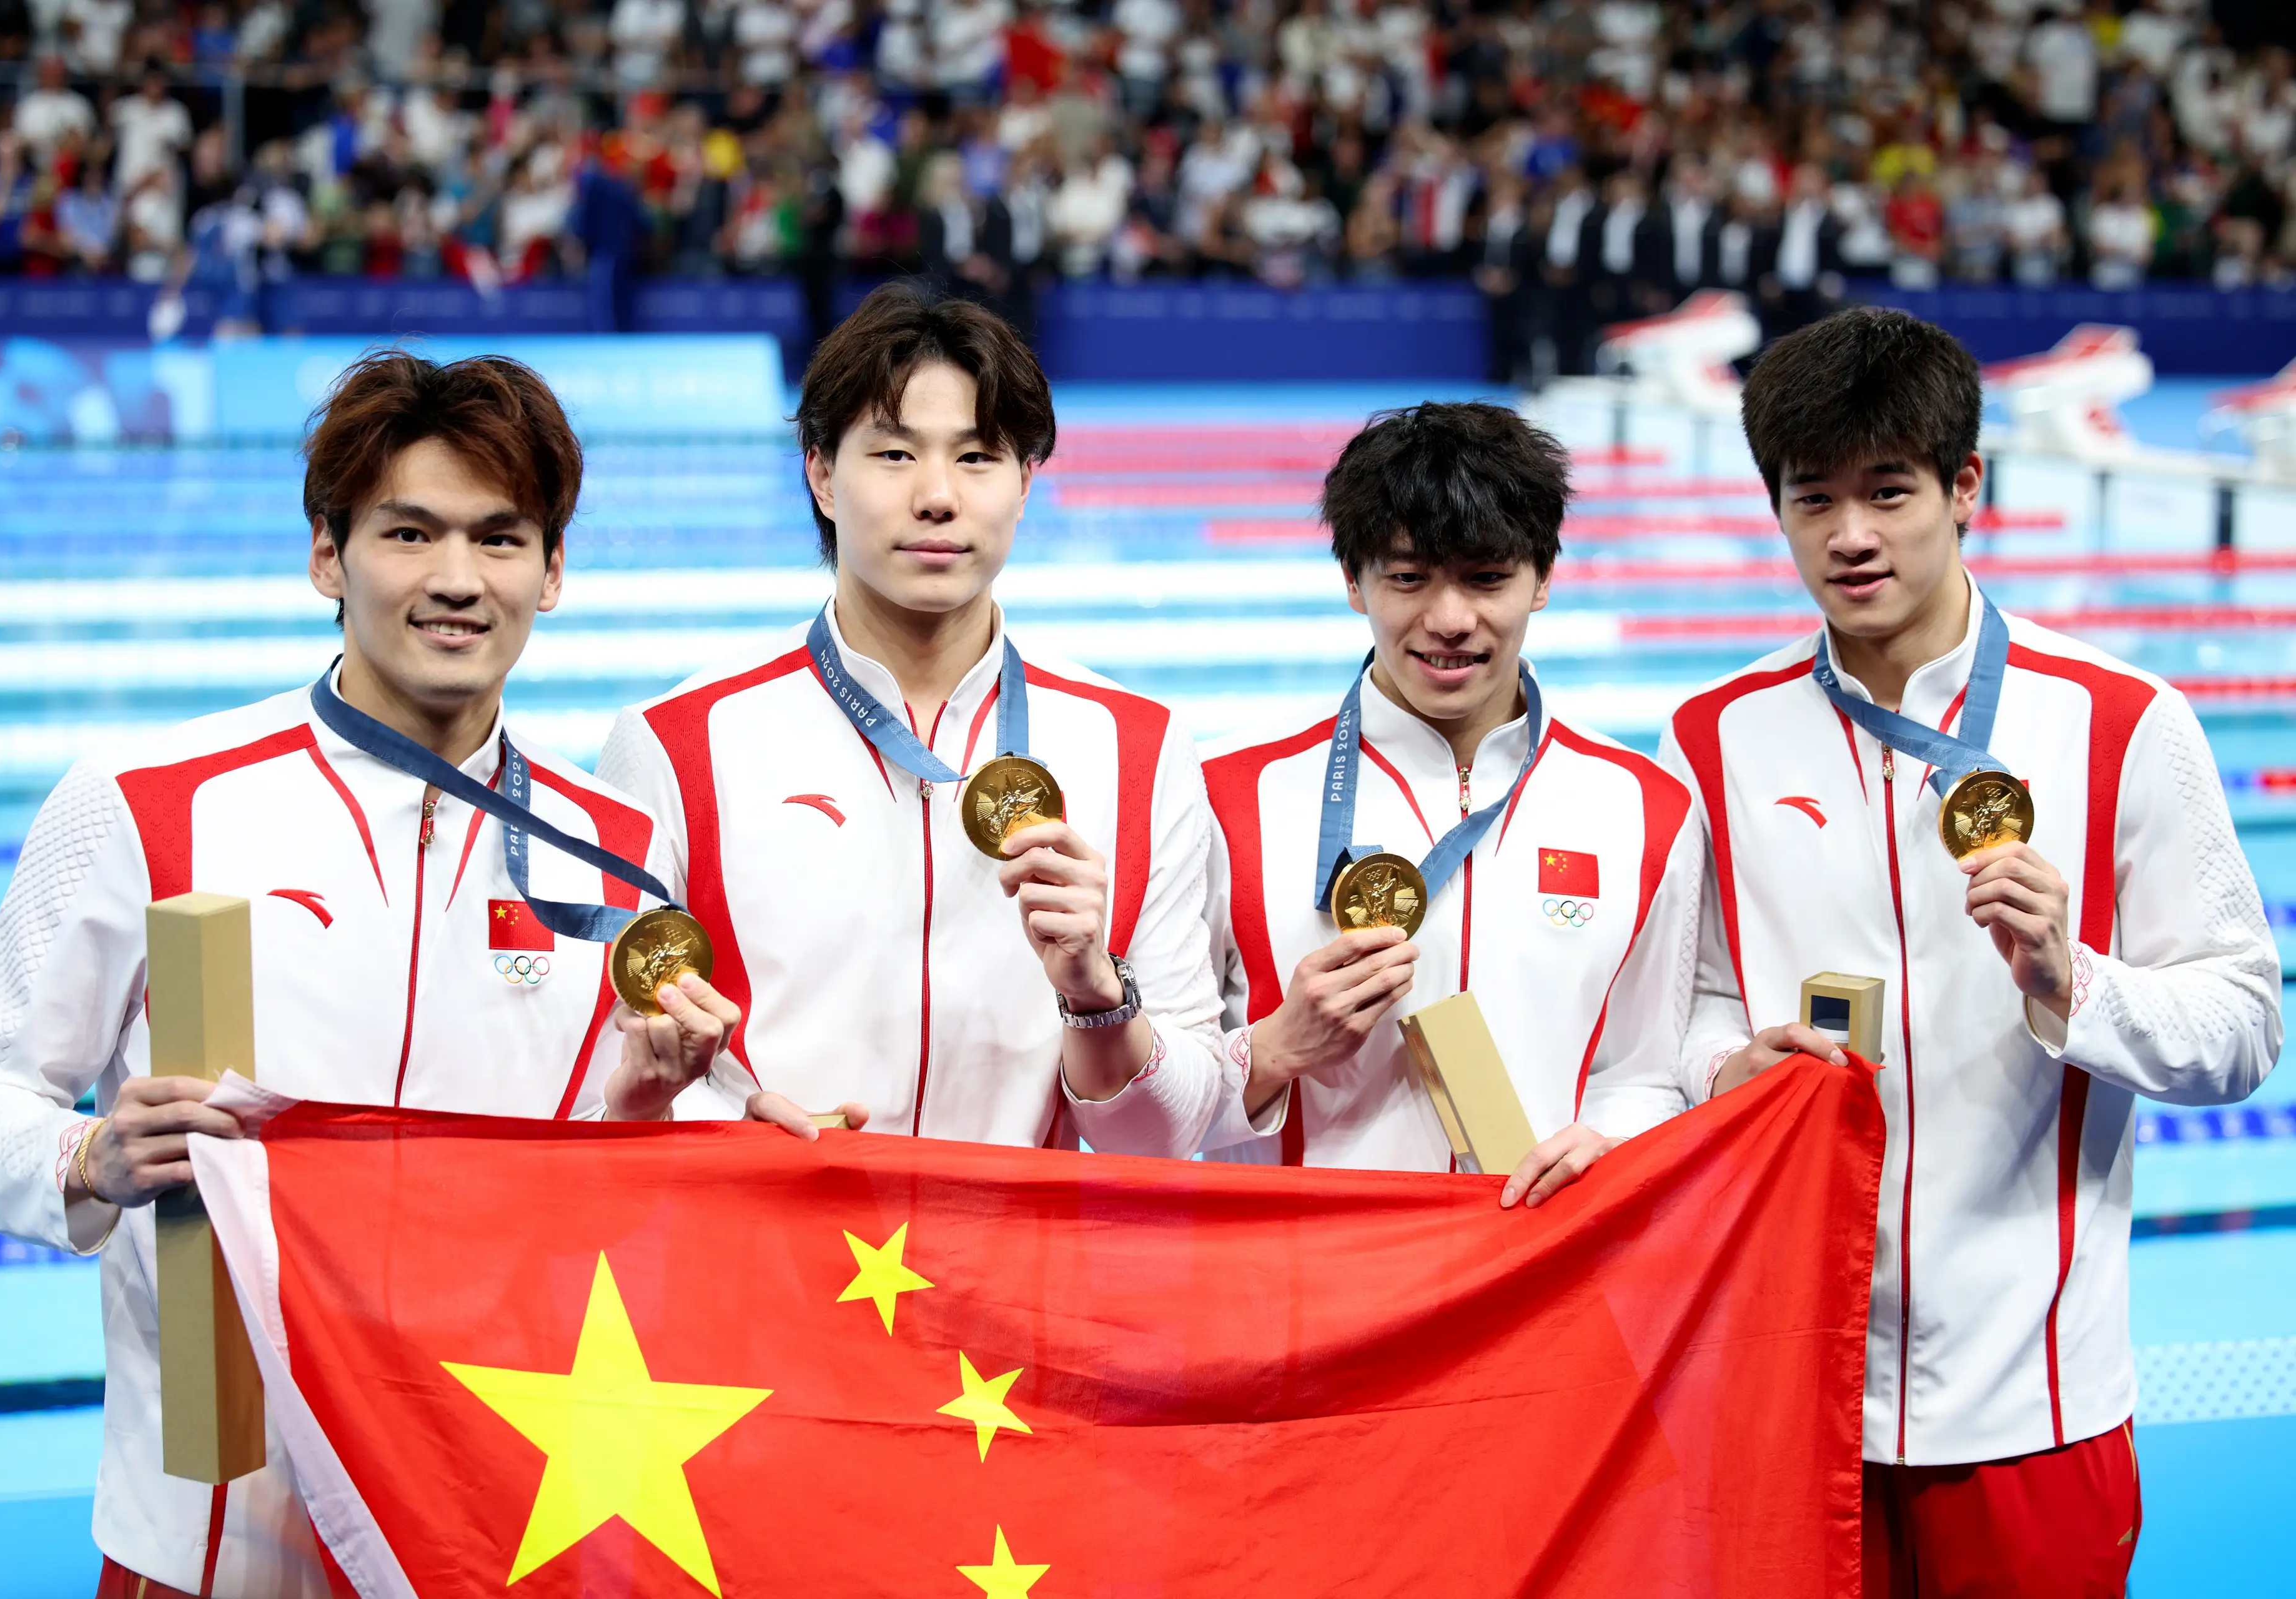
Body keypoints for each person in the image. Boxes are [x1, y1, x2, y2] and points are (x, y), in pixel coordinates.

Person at [0, 352, 726, 1597]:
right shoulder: (146, 800)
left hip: (486, 1509)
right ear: (326, 555)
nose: (458, 579)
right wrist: (88, 1158)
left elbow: (607, 1198)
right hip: (210, 1522)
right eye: (409, 531)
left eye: (500, 538)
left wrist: (650, 1105)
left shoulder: (619, 844)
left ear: (553, 572)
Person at [1659, 307, 2281, 1598]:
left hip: (2035, 1400)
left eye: (1889, 490)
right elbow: (1686, 1009)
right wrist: (1729, 1065)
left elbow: (2243, 1031)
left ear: (1966, 489)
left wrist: (2077, 981)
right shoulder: (1713, 735)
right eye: (1812, 497)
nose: (1850, 536)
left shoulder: (2122, 723)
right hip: (1796, 1387)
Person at [600, 280, 1226, 1152]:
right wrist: (718, 1123)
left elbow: (1170, 1136)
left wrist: (1095, 997)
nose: (937, 496)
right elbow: (599, 1086)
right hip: (769, 1262)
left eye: (976, 458)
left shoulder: (1139, 747)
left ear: (1025, 482)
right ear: (820, 474)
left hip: (1019, 1277)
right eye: (895, 455)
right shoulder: (675, 743)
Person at [1199, 403, 1701, 1195]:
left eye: (1487, 577)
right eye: (1408, 577)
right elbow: (1142, 1108)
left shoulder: (1646, 809)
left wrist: (1612, 1140)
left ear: (1543, 577)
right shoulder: (1228, 798)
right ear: (1353, 583)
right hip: (1307, 1287)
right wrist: (1268, 1053)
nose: (1450, 620)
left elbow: (1647, 1069)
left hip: (1536, 1274)